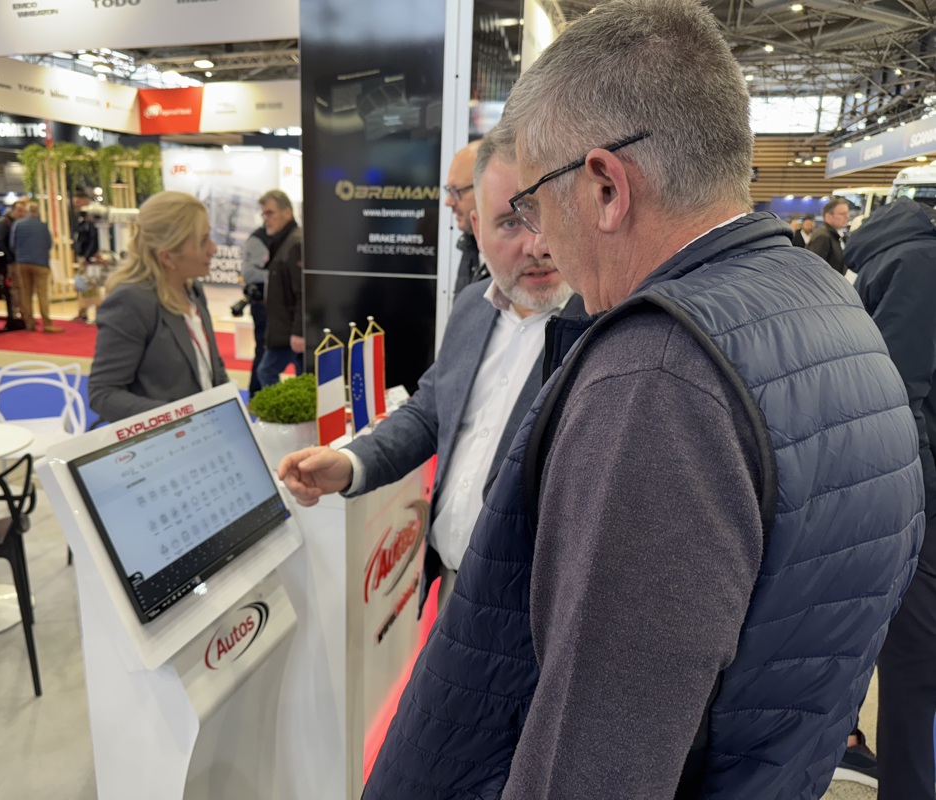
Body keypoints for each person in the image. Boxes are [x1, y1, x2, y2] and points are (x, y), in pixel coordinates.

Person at [362, 3, 925, 799]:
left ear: (603, 186)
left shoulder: (658, 376)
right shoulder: (817, 301)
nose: (539, 241)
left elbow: (593, 763)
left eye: (535, 204)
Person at [279, 136, 583, 612]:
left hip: (533, 612)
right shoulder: (473, 307)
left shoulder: (601, 331)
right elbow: (429, 412)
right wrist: (352, 463)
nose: (537, 244)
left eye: (547, 216)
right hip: (449, 584)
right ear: (477, 227)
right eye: (511, 222)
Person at [844, 197, 936, 800]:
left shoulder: (905, 257)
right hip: (915, 501)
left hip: (905, 494)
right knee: (917, 662)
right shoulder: (920, 263)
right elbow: (899, 396)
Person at [88, 191, 229, 424]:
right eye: (203, 241)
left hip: (204, 434)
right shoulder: (132, 302)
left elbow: (212, 369)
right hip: (166, 441)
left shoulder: (193, 291)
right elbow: (103, 394)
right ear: (168, 257)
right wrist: (178, 417)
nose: (213, 249)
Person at [254, 190, 302, 391]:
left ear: (287, 213)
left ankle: (283, 407)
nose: (266, 219)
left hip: (290, 332)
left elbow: (303, 292)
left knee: (266, 371)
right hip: (285, 330)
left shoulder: (294, 243)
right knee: (301, 377)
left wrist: (299, 331)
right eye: (264, 214)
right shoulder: (284, 242)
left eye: (270, 213)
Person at [445, 140, 489, 296]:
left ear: (487, 188)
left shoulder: (518, 254)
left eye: (456, 191)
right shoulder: (470, 246)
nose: (448, 202)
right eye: (449, 191)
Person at [10, 201, 59, 333]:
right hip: (40, 263)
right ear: (38, 212)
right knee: (42, 293)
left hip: (22, 262)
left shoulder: (18, 224)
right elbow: (49, 244)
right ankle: (47, 323)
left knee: (25, 293)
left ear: (27, 211)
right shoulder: (43, 226)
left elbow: (12, 244)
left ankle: (29, 322)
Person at [240, 224, 273, 395]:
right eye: (266, 213)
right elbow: (249, 273)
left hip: (281, 308)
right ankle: (256, 397)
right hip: (263, 306)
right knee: (264, 352)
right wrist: (278, 275)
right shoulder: (258, 239)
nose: (268, 218)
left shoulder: (286, 238)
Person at [0, 200, 27, 320]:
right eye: (19, 210)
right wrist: (9, 258)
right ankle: (15, 314)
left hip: (18, 260)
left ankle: (22, 313)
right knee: (15, 288)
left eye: (24, 211)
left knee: (19, 288)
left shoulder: (17, 223)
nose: (22, 214)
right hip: (10, 262)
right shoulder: (4, 223)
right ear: (13, 210)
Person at [72, 203, 106, 324]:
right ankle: (83, 312)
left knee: (93, 285)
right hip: (85, 257)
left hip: (90, 259)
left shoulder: (93, 225)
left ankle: (96, 314)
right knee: (85, 286)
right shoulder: (83, 223)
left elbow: (93, 241)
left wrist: (87, 257)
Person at [807, 197, 850, 274]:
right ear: (828, 216)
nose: (847, 217)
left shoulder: (838, 236)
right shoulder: (822, 237)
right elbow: (814, 268)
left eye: (847, 213)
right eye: (842, 214)